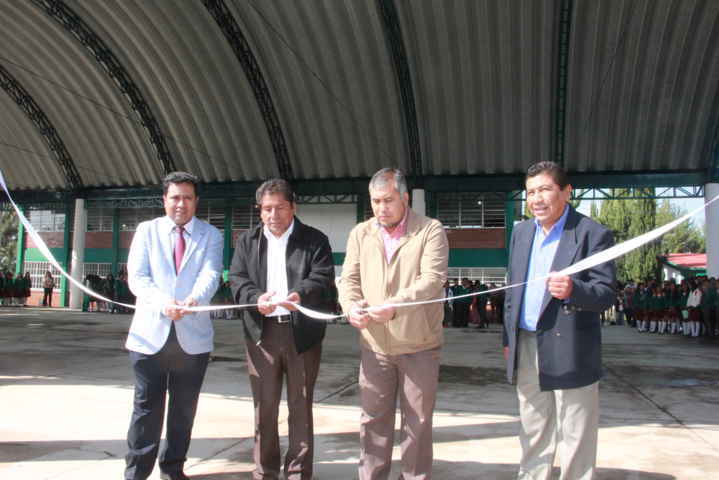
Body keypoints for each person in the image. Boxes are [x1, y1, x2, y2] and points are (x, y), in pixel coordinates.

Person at [503, 161, 616, 480]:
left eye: (545, 190)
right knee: (533, 425)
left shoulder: (592, 233)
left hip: (570, 345)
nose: (536, 199)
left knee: (575, 428)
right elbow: (512, 293)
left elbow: (606, 293)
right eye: (530, 192)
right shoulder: (521, 232)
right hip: (526, 343)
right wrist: (508, 341)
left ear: (567, 192)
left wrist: (573, 289)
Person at [338, 167, 449, 480]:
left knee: (417, 424)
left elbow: (432, 279)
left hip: (419, 346)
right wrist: (350, 307)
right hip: (375, 345)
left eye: (388, 200)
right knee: (373, 422)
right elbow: (349, 279)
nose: (381, 208)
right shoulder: (361, 233)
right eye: (375, 201)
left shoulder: (430, 230)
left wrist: (395, 305)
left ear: (405, 198)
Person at [229, 178, 335, 480]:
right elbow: (236, 278)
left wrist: (300, 293)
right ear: (259, 210)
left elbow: (322, 276)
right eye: (266, 209)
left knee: (301, 406)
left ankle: (298, 472)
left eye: (280, 207)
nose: (273, 215)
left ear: (293, 207)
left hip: (302, 335)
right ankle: (265, 471)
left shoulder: (315, 240)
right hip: (262, 334)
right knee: (265, 406)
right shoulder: (247, 242)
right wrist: (255, 298)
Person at [124, 171, 223, 480]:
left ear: (196, 201)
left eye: (187, 198)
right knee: (146, 409)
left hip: (192, 338)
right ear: (164, 200)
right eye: (175, 197)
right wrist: (163, 302)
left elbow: (211, 274)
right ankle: (136, 473)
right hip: (150, 335)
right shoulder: (146, 231)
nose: (181, 204)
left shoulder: (211, 235)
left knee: (183, 409)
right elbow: (137, 277)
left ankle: (173, 470)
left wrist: (193, 300)